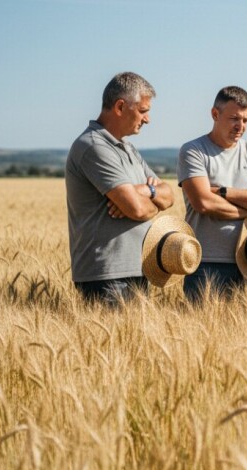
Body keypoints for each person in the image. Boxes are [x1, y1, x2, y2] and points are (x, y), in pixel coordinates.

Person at [66, 71, 174, 304]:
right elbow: (135, 210)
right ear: (120, 106)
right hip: (107, 275)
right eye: (143, 111)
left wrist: (146, 191)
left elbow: (169, 195)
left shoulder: (127, 148)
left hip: (138, 269)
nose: (148, 119)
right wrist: (143, 202)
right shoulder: (94, 147)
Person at [177, 86, 247, 303]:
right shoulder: (193, 150)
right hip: (204, 263)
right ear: (215, 114)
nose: (240, 126)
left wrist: (222, 192)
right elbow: (204, 203)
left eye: (246, 120)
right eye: (234, 118)